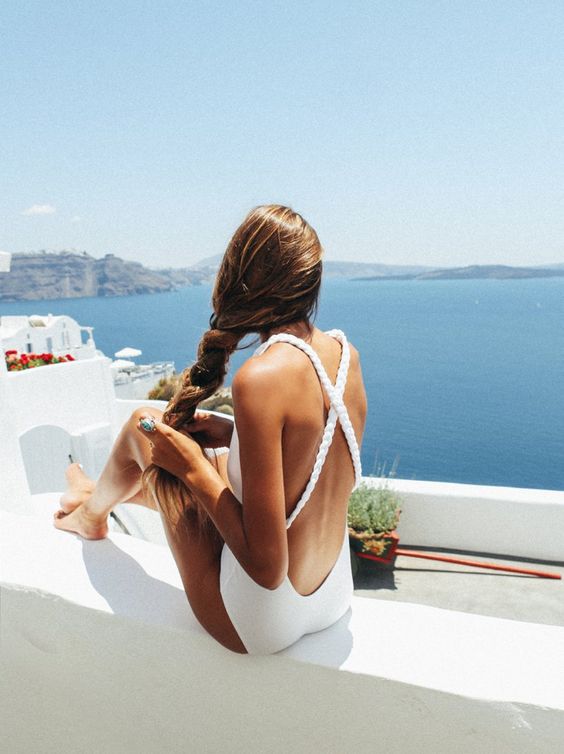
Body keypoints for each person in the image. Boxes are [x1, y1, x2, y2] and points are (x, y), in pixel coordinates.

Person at [54, 204, 368, 654]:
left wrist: (191, 468)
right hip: (332, 595)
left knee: (143, 428)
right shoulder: (344, 354)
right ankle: (91, 497)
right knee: (184, 456)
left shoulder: (262, 377)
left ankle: (90, 515)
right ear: (310, 278)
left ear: (238, 278)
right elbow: (311, 463)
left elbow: (266, 569)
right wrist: (234, 433)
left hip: (260, 621)